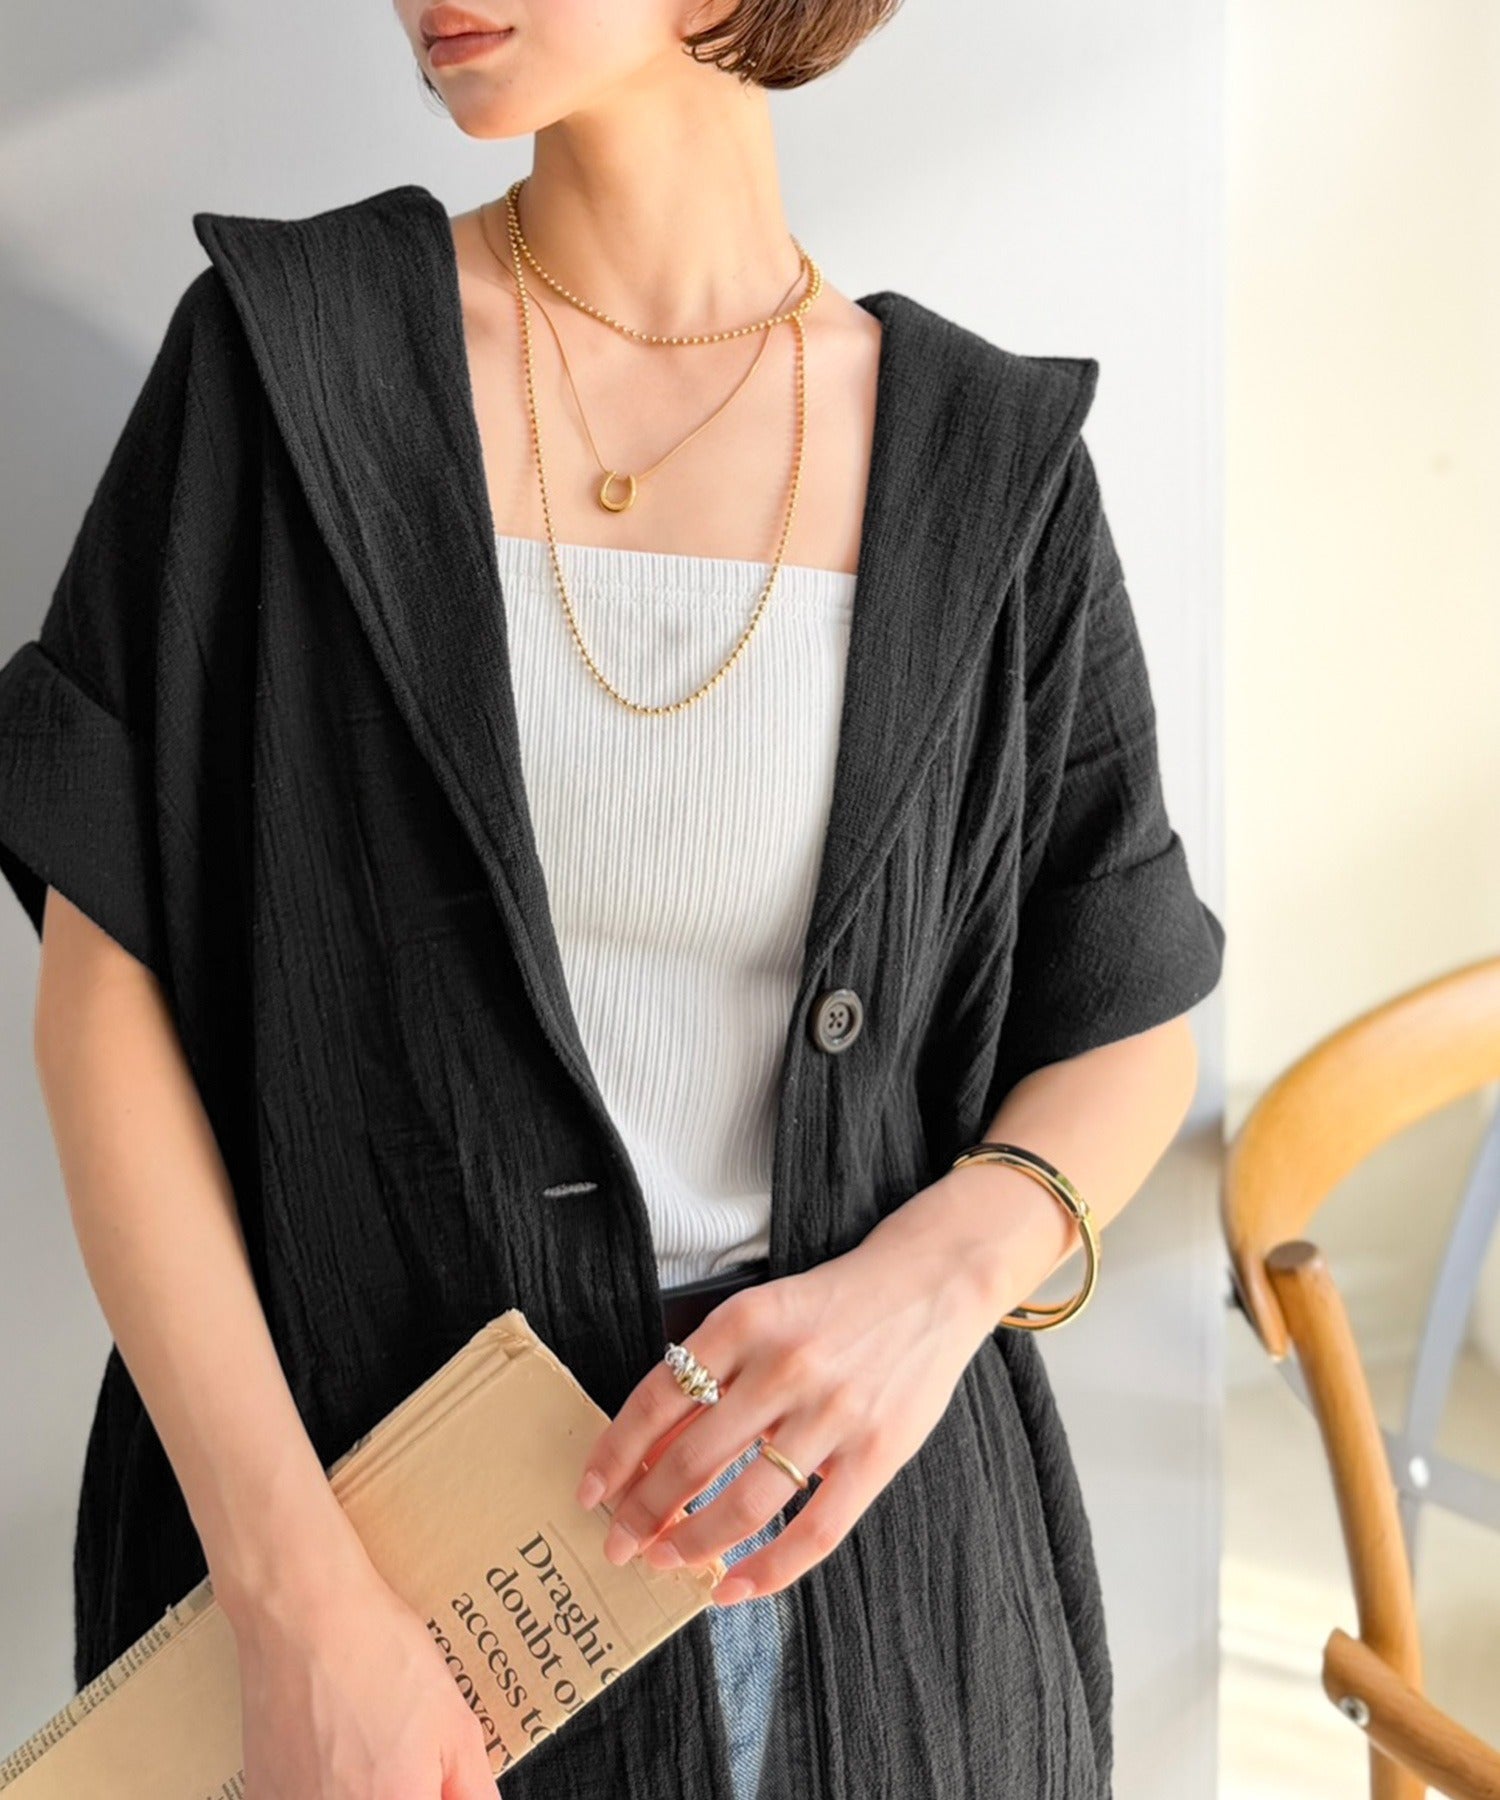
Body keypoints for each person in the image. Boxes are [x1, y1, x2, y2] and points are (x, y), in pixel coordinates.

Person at [0, 3, 1226, 1797]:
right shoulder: (285, 368)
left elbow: (1122, 1014)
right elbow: (106, 1004)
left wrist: (938, 1283)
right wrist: (296, 1610)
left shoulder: (989, 467)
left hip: (884, 1616)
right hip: (380, 1591)